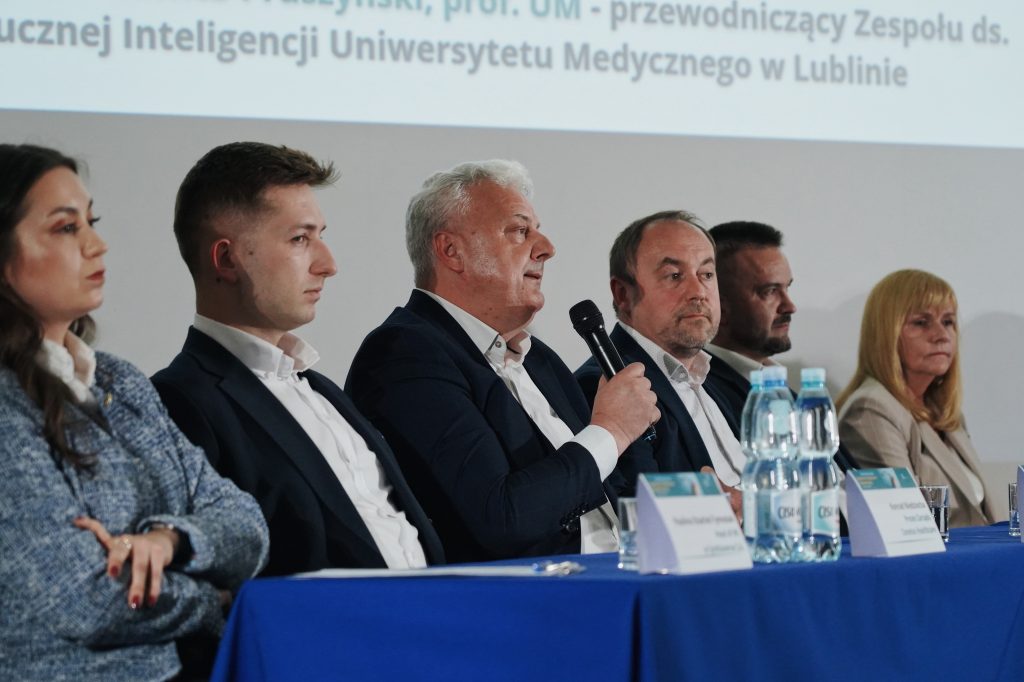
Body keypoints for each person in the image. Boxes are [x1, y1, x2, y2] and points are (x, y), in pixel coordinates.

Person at [0, 144, 268, 681]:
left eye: (91, 222)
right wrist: (216, 598)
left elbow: (246, 524)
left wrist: (168, 539)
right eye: (66, 228)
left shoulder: (119, 380)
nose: (96, 245)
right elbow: (84, 597)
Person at [345, 159, 660, 563]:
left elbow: (611, 488)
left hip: (614, 573)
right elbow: (502, 517)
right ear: (451, 251)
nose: (546, 248)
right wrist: (611, 430)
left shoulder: (539, 359)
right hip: (529, 592)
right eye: (519, 231)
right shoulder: (405, 353)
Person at [152, 142, 444, 576]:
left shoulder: (323, 390)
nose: (328, 264)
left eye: (320, 236)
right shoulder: (178, 402)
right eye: (300, 239)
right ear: (227, 259)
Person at [575, 211, 745, 506]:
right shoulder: (604, 385)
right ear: (623, 294)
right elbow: (637, 505)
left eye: (706, 274)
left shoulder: (715, 378)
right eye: (674, 276)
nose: (698, 292)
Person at [837, 269, 994, 527]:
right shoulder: (870, 411)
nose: (941, 335)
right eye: (921, 323)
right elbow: (909, 524)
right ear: (886, 334)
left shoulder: (943, 412)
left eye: (948, 322)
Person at [707, 220, 857, 472]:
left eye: (787, 288)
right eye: (769, 291)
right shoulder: (704, 392)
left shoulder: (786, 390)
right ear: (720, 305)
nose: (790, 306)